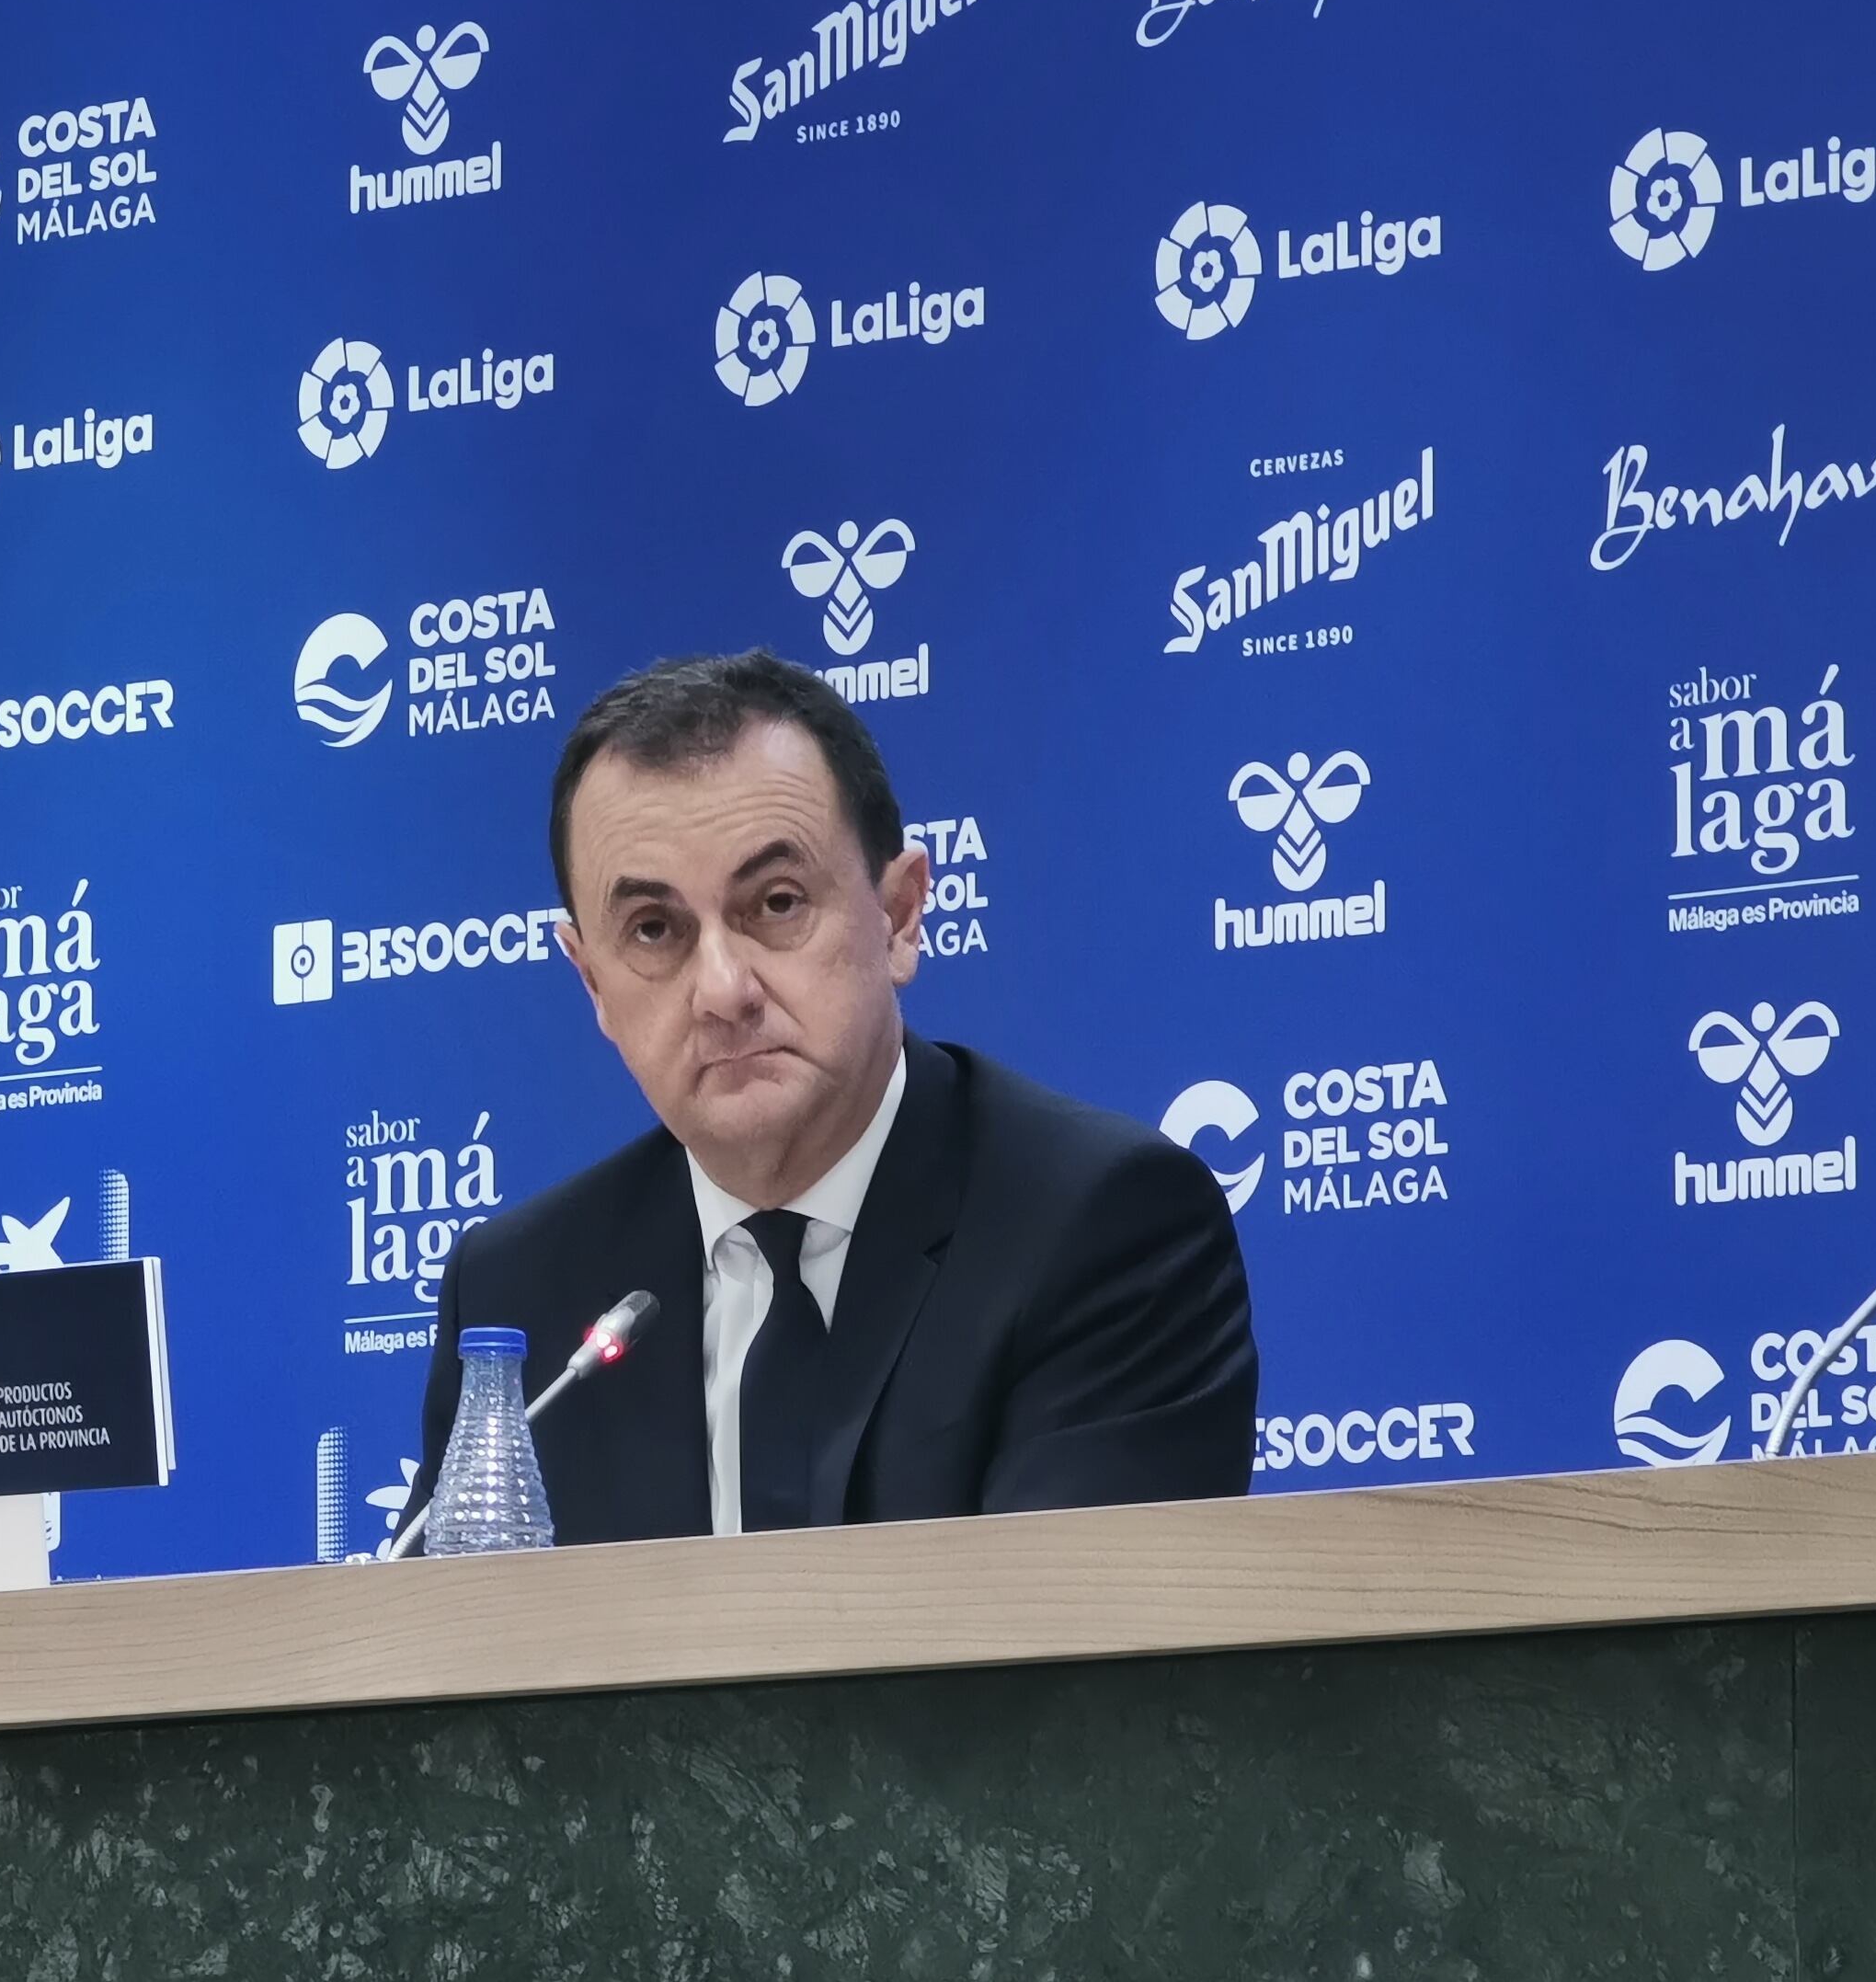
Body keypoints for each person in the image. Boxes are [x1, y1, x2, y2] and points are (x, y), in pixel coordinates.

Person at [408, 651, 1256, 1544]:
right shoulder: (521, 1295)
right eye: (654, 930)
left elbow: (1070, 1666)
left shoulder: (1105, 1228)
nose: (723, 989)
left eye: (775, 904)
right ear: (592, 985)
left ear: (899, 915)